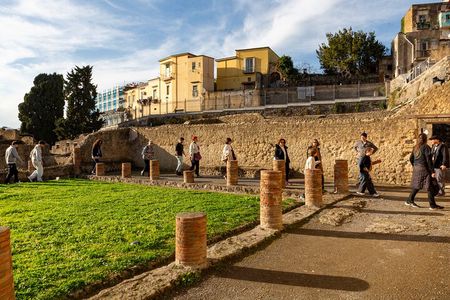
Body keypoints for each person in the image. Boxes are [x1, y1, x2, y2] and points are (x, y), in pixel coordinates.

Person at [406, 133, 444, 210]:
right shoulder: (426, 147)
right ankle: (432, 205)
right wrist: (432, 171)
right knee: (429, 186)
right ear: (425, 139)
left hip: (417, 169)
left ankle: (409, 200)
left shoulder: (415, 147)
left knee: (418, 185)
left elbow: (411, 159)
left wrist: (415, 166)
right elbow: (429, 161)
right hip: (424, 169)